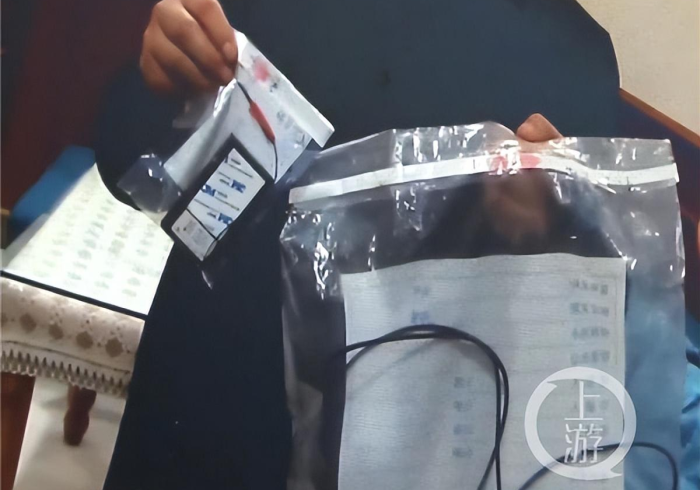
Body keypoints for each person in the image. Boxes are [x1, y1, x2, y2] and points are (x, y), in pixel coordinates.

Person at [95, 0, 619, 488]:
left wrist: (546, 231)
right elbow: (125, 156)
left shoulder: (576, 63)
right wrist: (161, 81)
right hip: (201, 403)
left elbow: (577, 325)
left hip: (420, 446)